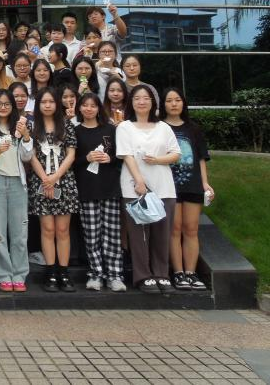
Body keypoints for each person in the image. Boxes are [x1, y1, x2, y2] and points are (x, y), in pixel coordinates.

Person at [116, 84, 181, 294]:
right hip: (134, 188)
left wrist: (157, 160)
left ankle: (161, 274)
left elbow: (175, 153)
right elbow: (126, 155)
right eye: (137, 98)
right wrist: (139, 181)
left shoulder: (163, 127)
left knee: (162, 233)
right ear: (131, 103)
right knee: (139, 236)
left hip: (164, 187)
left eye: (146, 98)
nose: (141, 102)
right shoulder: (124, 127)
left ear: (153, 102)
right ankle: (143, 276)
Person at [162, 87, 214, 292]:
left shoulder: (193, 129)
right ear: (163, 104)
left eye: (177, 100)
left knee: (191, 229)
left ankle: (191, 273)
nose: (174, 104)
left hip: (192, 185)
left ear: (183, 103)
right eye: (169, 100)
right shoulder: (160, 127)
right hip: (169, 186)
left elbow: (201, 158)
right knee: (174, 230)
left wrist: (205, 183)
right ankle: (178, 272)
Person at [28, 87, 79, 292]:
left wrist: (55, 178)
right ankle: (50, 272)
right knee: (47, 229)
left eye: (51, 102)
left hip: (64, 181)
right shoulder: (32, 126)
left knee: (63, 229)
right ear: (38, 105)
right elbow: (31, 155)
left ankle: (63, 272)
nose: (47, 105)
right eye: (43, 102)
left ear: (57, 104)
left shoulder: (66, 125)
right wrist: (45, 179)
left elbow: (71, 154)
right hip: (41, 181)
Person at [74, 93, 125, 292]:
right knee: (91, 234)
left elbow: (122, 155)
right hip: (87, 189)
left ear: (98, 109)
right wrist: (86, 158)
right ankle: (95, 273)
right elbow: (71, 161)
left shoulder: (110, 129)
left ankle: (114, 275)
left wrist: (110, 159)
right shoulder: (75, 131)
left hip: (109, 187)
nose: (88, 109)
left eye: (93, 105)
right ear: (79, 108)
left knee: (112, 234)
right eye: (85, 105)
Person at [0, 89, 33, 292]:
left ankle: (19, 274)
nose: (3, 107)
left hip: (17, 183)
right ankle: (4, 274)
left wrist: (26, 136)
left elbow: (27, 157)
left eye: (7, 104)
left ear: (13, 106)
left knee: (20, 232)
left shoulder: (20, 126)